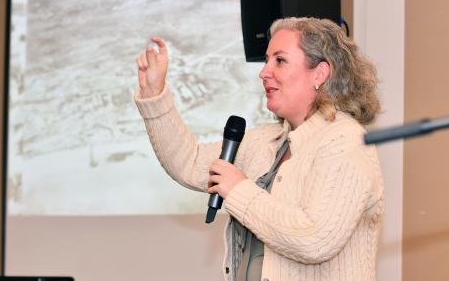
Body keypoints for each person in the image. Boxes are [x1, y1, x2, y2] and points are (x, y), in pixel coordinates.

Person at [134, 17, 384, 281]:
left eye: (280, 60)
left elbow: (315, 239)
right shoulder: (267, 140)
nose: (264, 72)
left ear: (320, 74)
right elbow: (189, 161)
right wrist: (154, 93)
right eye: (267, 60)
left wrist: (238, 190)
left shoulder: (345, 141)